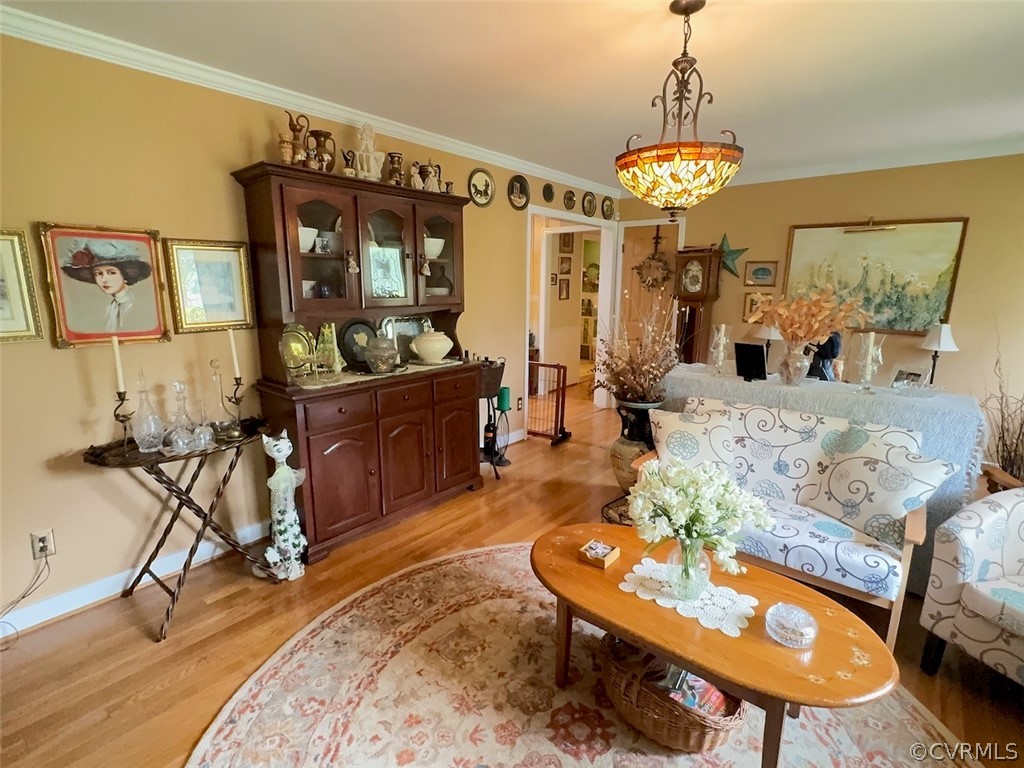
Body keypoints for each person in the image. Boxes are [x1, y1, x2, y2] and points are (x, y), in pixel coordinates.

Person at [61, 241, 152, 331]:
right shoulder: (110, 308)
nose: (104, 279)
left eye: (111, 273)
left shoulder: (134, 305)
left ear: (125, 275)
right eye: (98, 273)